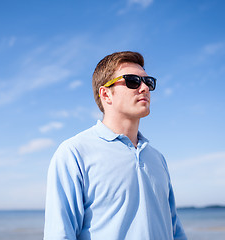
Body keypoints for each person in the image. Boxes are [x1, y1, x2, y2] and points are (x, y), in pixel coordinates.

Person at [44, 51, 187, 240]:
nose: (144, 88)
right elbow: (60, 235)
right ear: (106, 94)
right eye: (133, 81)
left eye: (148, 82)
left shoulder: (157, 158)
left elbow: (174, 229)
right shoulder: (74, 153)